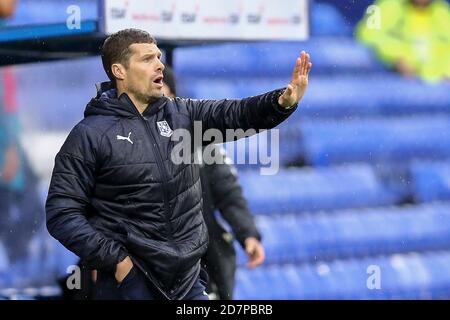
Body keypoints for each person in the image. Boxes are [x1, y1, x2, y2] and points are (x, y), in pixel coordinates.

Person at [45, 28, 312, 300]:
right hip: (130, 284)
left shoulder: (183, 114)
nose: (159, 64)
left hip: (187, 280)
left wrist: (280, 102)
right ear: (119, 71)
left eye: (159, 56)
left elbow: (237, 113)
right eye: (147, 58)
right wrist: (117, 262)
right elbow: (61, 213)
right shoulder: (89, 135)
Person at [162, 66, 265, 300]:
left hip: (202, 260)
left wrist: (248, 234)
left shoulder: (200, 143)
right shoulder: (125, 147)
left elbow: (228, 193)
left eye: (167, 99)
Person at [356, 0, 450, 83]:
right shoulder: (387, 5)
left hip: (438, 85)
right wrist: (395, 58)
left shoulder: (443, 10)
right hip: (396, 81)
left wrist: (447, 71)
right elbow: (366, 34)